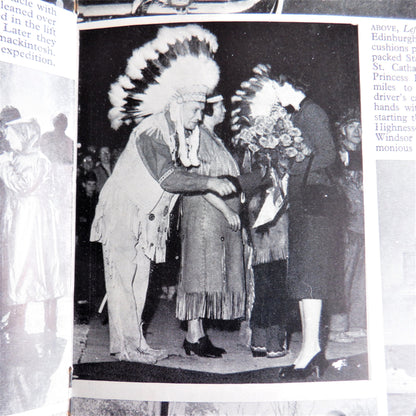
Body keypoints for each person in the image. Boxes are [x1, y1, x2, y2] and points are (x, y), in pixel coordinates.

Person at [90, 25, 236, 364]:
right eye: (196, 110)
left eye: (202, 110)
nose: (199, 116)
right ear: (177, 104)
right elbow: (169, 177)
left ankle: (137, 344)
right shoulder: (153, 129)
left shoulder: (179, 134)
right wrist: (211, 184)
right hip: (123, 210)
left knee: (139, 279)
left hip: (146, 215)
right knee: (123, 279)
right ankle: (125, 348)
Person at [276, 75, 345, 379]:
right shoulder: (297, 115)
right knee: (305, 282)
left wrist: (295, 167)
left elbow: (327, 153)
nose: (275, 94)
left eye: (277, 87)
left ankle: (311, 352)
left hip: (315, 208)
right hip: (305, 208)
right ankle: (310, 350)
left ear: (291, 85)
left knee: (311, 279)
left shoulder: (312, 111)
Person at [175, 94, 245, 358]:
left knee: (209, 273)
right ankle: (193, 336)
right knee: (199, 272)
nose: (225, 109)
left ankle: (198, 334)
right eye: (221, 105)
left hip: (216, 217)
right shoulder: (197, 137)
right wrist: (226, 209)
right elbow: (197, 179)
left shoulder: (214, 138)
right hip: (204, 214)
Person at [0, 118, 64, 337]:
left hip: (32, 219)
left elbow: (23, 185)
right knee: (20, 267)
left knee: (33, 265)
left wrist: (5, 166)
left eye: (12, 136)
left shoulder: (38, 160)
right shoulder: (18, 157)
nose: (8, 141)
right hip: (22, 217)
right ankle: (18, 321)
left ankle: (48, 325)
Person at [329, 108, 366, 342]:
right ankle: (336, 327)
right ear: (342, 129)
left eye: (361, 126)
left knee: (361, 275)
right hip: (344, 225)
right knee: (343, 273)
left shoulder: (362, 156)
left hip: (361, 222)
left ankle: (356, 322)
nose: (358, 130)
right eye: (352, 125)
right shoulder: (335, 157)